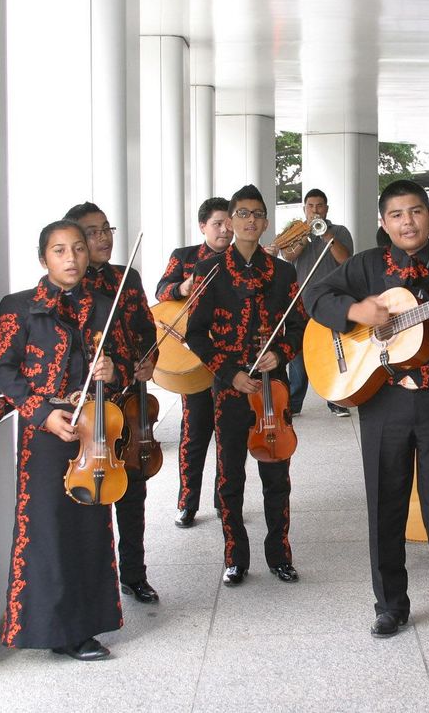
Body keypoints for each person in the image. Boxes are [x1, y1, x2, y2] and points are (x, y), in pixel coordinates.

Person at [306, 180, 429, 638]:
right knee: (385, 504)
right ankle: (390, 605)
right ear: (384, 222)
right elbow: (314, 298)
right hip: (384, 400)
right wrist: (358, 310)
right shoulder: (366, 267)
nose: (408, 222)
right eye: (397, 214)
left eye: (416, 212)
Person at [0, 220, 128, 660]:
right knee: (46, 529)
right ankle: (53, 629)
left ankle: (85, 628)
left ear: (89, 255)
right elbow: (3, 371)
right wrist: (43, 415)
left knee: (90, 526)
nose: (71, 259)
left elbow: (123, 362)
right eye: (59, 251)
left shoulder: (105, 305)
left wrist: (114, 371)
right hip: (45, 435)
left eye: (78, 250)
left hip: (94, 429)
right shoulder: (18, 306)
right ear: (43, 258)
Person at [185, 185, 306, 586]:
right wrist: (229, 373)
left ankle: (280, 554)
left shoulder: (284, 272)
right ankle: (235, 556)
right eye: (242, 214)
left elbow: (301, 326)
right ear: (231, 221)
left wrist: (282, 352)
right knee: (230, 476)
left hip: (275, 388)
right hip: (230, 388)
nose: (250, 220)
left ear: (266, 222)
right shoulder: (211, 270)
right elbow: (197, 335)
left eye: (257, 214)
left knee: (277, 475)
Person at [66, 202, 161, 604]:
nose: (103, 237)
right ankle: (94, 582)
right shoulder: (70, 288)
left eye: (107, 229)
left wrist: (149, 360)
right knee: (91, 497)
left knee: (132, 489)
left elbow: (146, 328)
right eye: (93, 232)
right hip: (91, 407)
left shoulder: (128, 277)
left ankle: (134, 573)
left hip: (128, 401)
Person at [156, 197, 231, 528]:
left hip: (229, 360)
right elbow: (161, 290)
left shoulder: (241, 259)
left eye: (229, 223)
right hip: (194, 358)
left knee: (228, 435)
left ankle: (224, 500)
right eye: (217, 223)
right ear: (203, 226)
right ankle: (187, 502)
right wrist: (182, 286)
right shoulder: (184, 257)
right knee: (194, 433)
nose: (225, 230)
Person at [270, 188, 353, 417]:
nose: (315, 210)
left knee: (334, 349)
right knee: (297, 353)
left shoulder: (339, 231)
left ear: (326, 208)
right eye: (310, 206)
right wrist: (304, 235)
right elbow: (288, 257)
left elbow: (345, 260)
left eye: (319, 206)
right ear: (304, 208)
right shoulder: (294, 232)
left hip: (331, 299)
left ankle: (337, 399)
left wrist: (326, 235)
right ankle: (294, 403)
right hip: (301, 300)